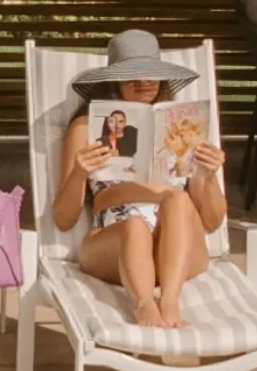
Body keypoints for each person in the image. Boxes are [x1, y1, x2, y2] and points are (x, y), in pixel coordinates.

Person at [51, 30, 227, 329]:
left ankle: (169, 301)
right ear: (114, 81)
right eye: (132, 75)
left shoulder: (185, 127)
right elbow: (63, 219)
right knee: (134, 226)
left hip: (179, 245)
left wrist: (208, 176)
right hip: (114, 243)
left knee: (178, 198)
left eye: (152, 75)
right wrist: (80, 174)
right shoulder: (85, 127)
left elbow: (211, 221)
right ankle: (145, 304)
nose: (144, 82)